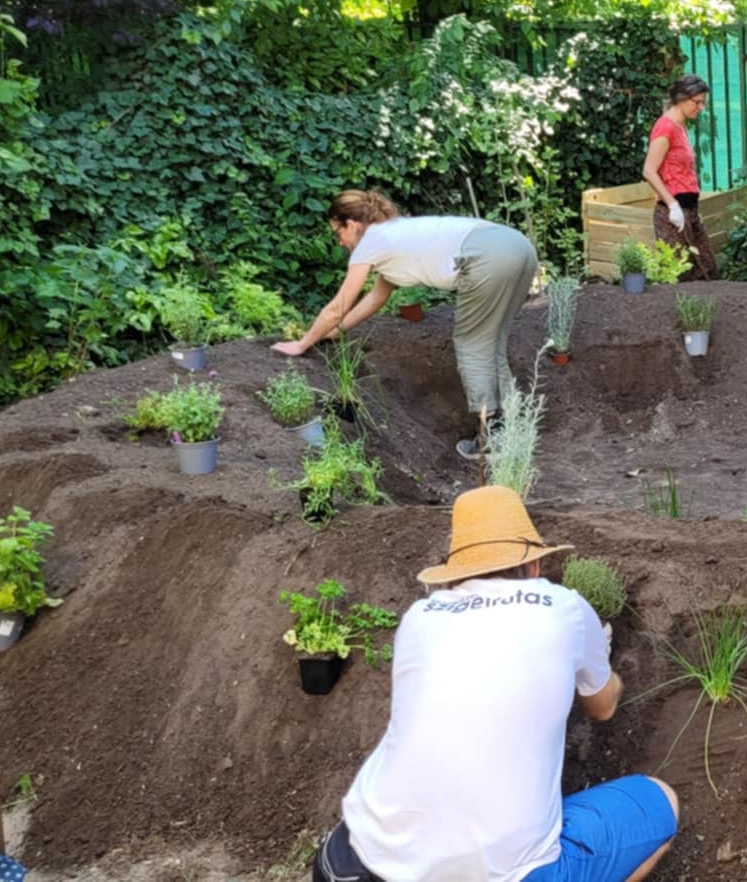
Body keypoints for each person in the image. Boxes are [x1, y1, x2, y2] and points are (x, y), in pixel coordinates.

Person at [314, 486, 679, 882]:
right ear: (535, 565)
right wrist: (607, 670)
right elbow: (603, 707)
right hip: (495, 874)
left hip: (351, 861)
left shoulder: (419, 617)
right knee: (661, 803)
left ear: (455, 574)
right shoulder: (566, 607)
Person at [274, 190, 538, 461]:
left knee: (472, 343)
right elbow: (375, 298)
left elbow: (338, 306)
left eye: (337, 232)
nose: (339, 241)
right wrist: (332, 332)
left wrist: (303, 343)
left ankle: (492, 435)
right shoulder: (394, 236)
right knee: (491, 342)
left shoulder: (371, 242)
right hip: (518, 246)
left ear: (350, 225)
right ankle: (513, 423)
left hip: (487, 257)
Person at [641, 74, 717, 281]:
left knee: (707, 269)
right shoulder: (665, 127)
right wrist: (673, 206)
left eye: (703, 102)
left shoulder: (680, 126)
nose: (701, 107)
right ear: (681, 98)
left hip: (689, 210)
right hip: (672, 214)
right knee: (681, 276)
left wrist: (691, 210)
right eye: (697, 102)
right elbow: (649, 170)